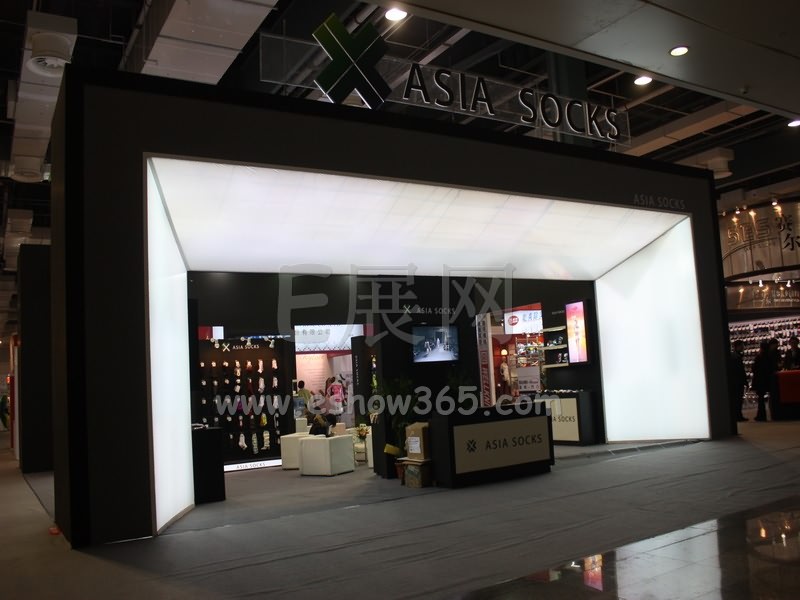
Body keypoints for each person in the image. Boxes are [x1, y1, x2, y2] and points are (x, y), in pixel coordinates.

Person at [728, 340, 748, 423]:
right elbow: (740, 371)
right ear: (738, 346)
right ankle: (738, 415)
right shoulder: (737, 357)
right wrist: (745, 381)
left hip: (735, 381)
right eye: (742, 346)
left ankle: (737, 415)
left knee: (737, 400)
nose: (743, 347)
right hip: (738, 382)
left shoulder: (734, 356)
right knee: (738, 399)